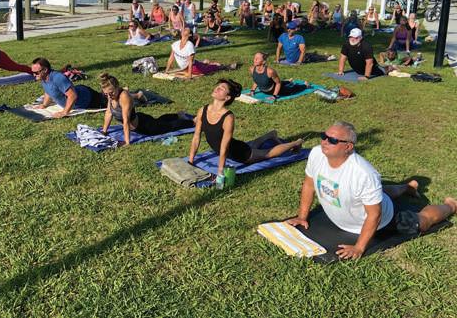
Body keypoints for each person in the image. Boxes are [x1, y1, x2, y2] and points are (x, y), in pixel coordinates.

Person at [287, 121, 457, 260]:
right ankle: (408, 187)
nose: (324, 142)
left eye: (332, 140)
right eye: (324, 136)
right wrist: (302, 217)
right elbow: (309, 184)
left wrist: (359, 248)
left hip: (383, 221)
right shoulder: (317, 154)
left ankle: (451, 205)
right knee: (376, 194)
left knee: (421, 222)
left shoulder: (363, 174)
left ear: (348, 147)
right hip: (360, 205)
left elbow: (375, 215)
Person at [188, 79, 304, 177]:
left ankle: (296, 143)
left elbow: (224, 146)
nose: (217, 88)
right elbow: (196, 137)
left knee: (267, 154)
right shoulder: (203, 110)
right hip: (235, 145)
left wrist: (220, 171)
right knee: (252, 145)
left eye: (222, 88)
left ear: (227, 97)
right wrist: (190, 161)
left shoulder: (228, 117)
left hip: (240, 153)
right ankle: (271, 135)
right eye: (218, 86)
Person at [99, 73, 194, 146]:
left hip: (144, 127)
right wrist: (104, 131)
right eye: (106, 94)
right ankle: (178, 115)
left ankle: (192, 122)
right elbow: (108, 113)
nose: (109, 96)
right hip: (140, 119)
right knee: (159, 121)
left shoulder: (124, 96)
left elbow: (126, 120)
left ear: (117, 87)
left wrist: (127, 142)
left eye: (111, 93)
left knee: (168, 127)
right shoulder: (110, 95)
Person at [31, 57, 107, 118]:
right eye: (32, 72)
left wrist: (65, 112)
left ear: (45, 70)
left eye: (36, 73)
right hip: (79, 91)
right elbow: (48, 91)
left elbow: (73, 96)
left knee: (109, 101)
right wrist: (44, 105)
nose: (34, 75)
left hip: (87, 99)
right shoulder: (43, 78)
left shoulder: (58, 78)